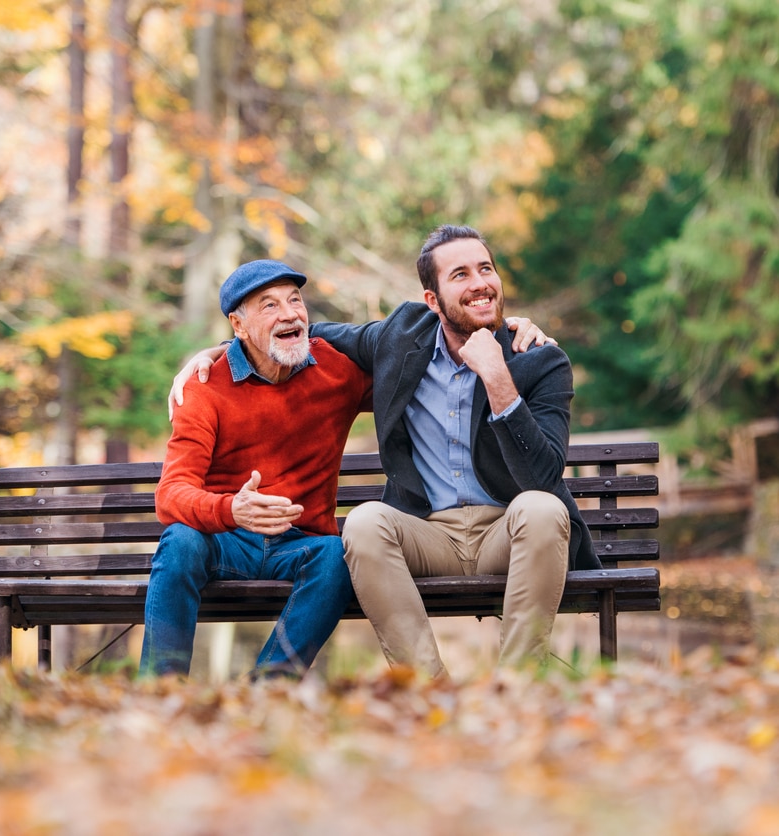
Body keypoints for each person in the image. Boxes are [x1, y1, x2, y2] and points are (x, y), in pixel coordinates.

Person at [173, 225, 596, 679]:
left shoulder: (537, 358)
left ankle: (518, 687)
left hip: (510, 531)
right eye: (460, 275)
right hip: (428, 534)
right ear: (432, 301)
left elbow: (544, 476)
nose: (479, 283)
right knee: (365, 521)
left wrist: (498, 378)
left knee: (542, 507)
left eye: (486, 269)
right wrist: (220, 350)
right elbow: (296, 332)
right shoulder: (400, 338)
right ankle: (429, 689)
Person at [140, 259, 371, 679]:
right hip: (225, 541)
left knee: (338, 556)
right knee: (180, 542)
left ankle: (268, 690)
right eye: (269, 305)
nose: (289, 313)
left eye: (295, 300)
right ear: (239, 326)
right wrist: (232, 510)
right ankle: (160, 691)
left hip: (300, 544)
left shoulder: (338, 371)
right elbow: (171, 494)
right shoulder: (205, 387)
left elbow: (417, 368)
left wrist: (499, 329)